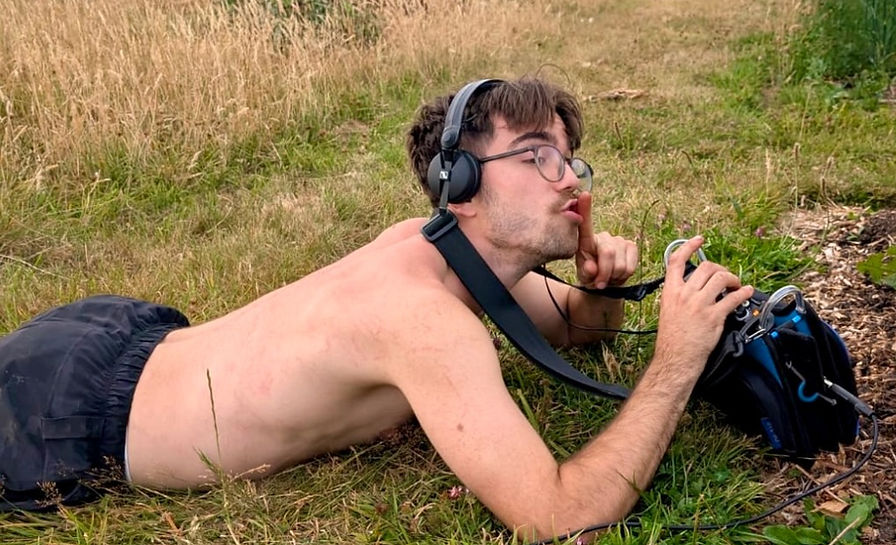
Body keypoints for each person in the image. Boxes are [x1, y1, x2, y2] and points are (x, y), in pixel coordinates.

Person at [0, 76, 753, 540]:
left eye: (570, 158)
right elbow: (558, 516)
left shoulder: (439, 249)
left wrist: (597, 289)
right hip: (64, 417)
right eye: (536, 156)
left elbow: (577, 328)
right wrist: (676, 361)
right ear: (458, 183)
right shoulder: (423, 321)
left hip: (114, 338)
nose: (570, 182)